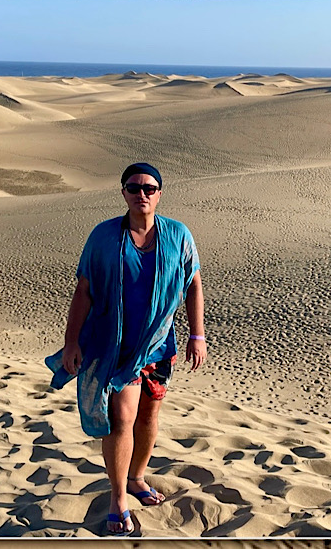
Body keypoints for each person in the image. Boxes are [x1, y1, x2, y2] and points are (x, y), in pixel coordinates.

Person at [45, 162, 206, 536]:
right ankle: (119, 499)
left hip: (158, 345)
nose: (142, 194)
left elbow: (193, 284)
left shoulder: (178, 235)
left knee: (148, 418)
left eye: (150, 188)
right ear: (123, 193)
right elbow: (83, 290)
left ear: (159, 194)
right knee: (121, 419)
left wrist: (196, 335)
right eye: (134, 188)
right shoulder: (103, 236)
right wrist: (72, 341)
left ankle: (137, 477)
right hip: (114, 346)